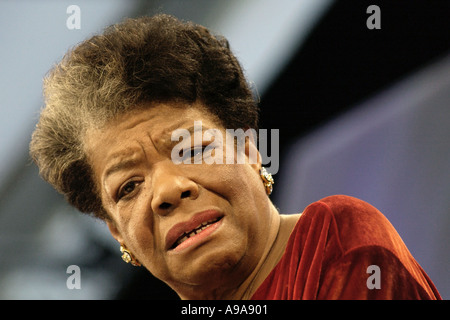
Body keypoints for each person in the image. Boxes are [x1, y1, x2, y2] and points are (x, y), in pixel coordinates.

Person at [29, 14, 441, 300]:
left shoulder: (335, 241)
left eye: (192, 149)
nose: (168, 190)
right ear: (118, 234)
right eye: (128, 187)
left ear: (248, 150)